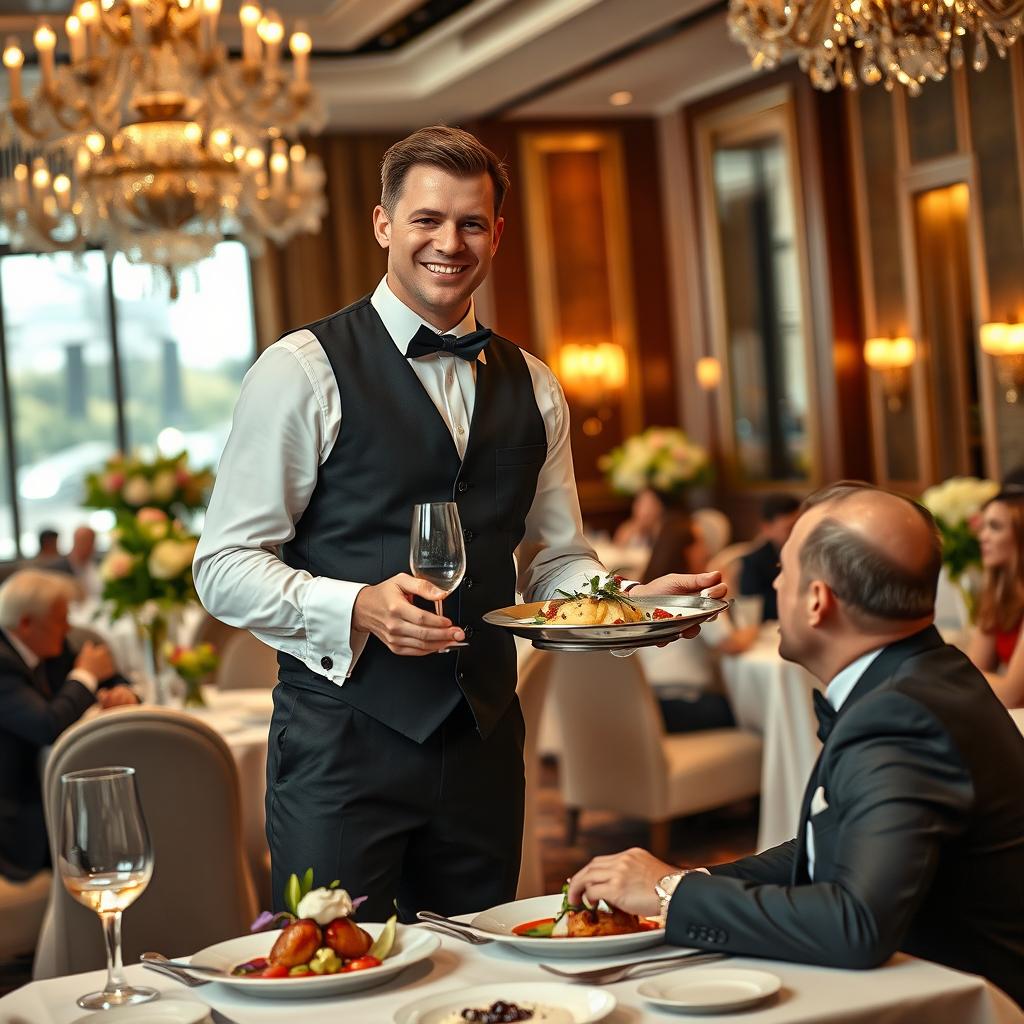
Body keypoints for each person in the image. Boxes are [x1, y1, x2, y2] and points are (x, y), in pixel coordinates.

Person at [193, 125, 726, 922]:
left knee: (482, 969)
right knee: (339, 976)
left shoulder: (538, 386)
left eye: (471, 223)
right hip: (342, 745)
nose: (450, 242)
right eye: (426, 221)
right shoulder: (300, 370)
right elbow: (224, 565)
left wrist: (625, 601)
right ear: (383, 225)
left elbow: (555, 560)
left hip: (483, 744)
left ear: (497, 234)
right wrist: (359, 606)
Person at [568, 482, 1024, 1006]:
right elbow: (824, 843)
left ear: (815, 600)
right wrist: (679, 879)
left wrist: (673, 894)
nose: (777, 584)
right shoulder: (925, 675)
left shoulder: (901, 715)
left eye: (786, 570)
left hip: (955, 1003)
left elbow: (859, 925)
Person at [0, 569, 138, 881]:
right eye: (59, 619)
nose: (68, 628)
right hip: (16, 818)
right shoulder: (3, 662)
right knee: (115, 825)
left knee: (119, 812)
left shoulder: (49, 647)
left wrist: (124, 693)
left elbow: (113, 678)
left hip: (55, 794)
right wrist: (85, 676)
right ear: (25, 624)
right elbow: (46, 726)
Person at [639, 514, 757, 733]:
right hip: (682, 705)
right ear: (686, 550)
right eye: (701, 542)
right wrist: (753, 629)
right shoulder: (691, 595)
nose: (706, 550)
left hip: (647, 704)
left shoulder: (648, 588)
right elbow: (731, 644)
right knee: (751, 712)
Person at [967, 487, 1024, 708]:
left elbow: (1012, 695)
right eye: (983, 527)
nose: (983, 537)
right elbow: (971, 666)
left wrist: (960, 673)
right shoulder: (998, 592)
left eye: (995, 527)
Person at [738, 493, 801, 620]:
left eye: (800, 526)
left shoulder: (810, 554)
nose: (797, 534)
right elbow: (749, 612)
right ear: (767, 528)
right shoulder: (753, 562)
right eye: (789, 529)